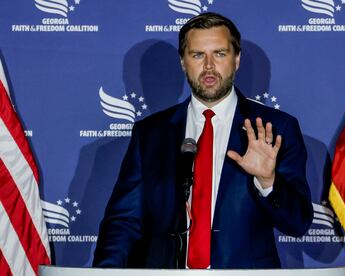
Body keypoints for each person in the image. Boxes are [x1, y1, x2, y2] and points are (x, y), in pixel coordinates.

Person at [93, 12, 313, 269]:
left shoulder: (274, 128)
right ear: (183, 62)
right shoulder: (151, 134)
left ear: (237, 59)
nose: (209, 66)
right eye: (197, 55)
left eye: (220, 53)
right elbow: (124, 221)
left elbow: (298, 223)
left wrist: (268, 181)